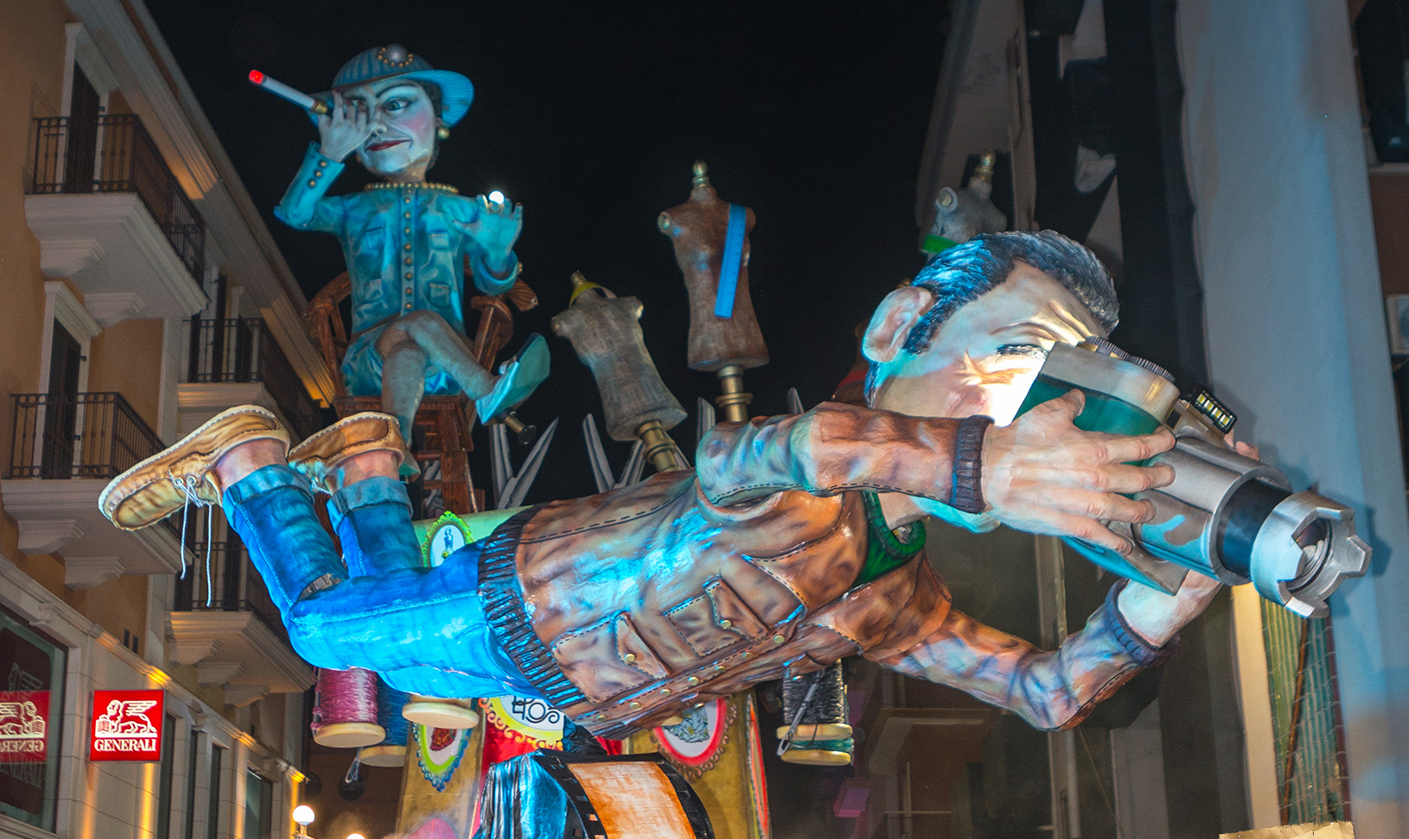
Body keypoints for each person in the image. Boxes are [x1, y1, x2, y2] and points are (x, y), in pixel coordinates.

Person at [100, 231, 1242, 738]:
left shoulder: (899, 598)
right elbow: (768, 449)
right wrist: (981, 462)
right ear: (899, 327)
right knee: (319, 629)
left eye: (1054, 386)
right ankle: (249, 461)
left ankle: (365, 461)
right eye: (1011, 358)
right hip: (525, 602)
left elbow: (1044, 691)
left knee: (381, 637)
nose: (1025, 405)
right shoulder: (803, 473)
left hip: (557, 676)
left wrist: (1170, 594)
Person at [275, 44, 549, 471]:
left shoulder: (462, 210)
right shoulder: (351, 209)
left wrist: (498, 250)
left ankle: (393, 446)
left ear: (437, 118)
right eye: (360, 113)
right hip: (369, 360)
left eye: (396, 104)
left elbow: (493, 283)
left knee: (409, 349)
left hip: (445, 363)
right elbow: (295, 213)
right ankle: (486, 390)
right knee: (415, 325)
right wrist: (329, 154)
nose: (378, 124)